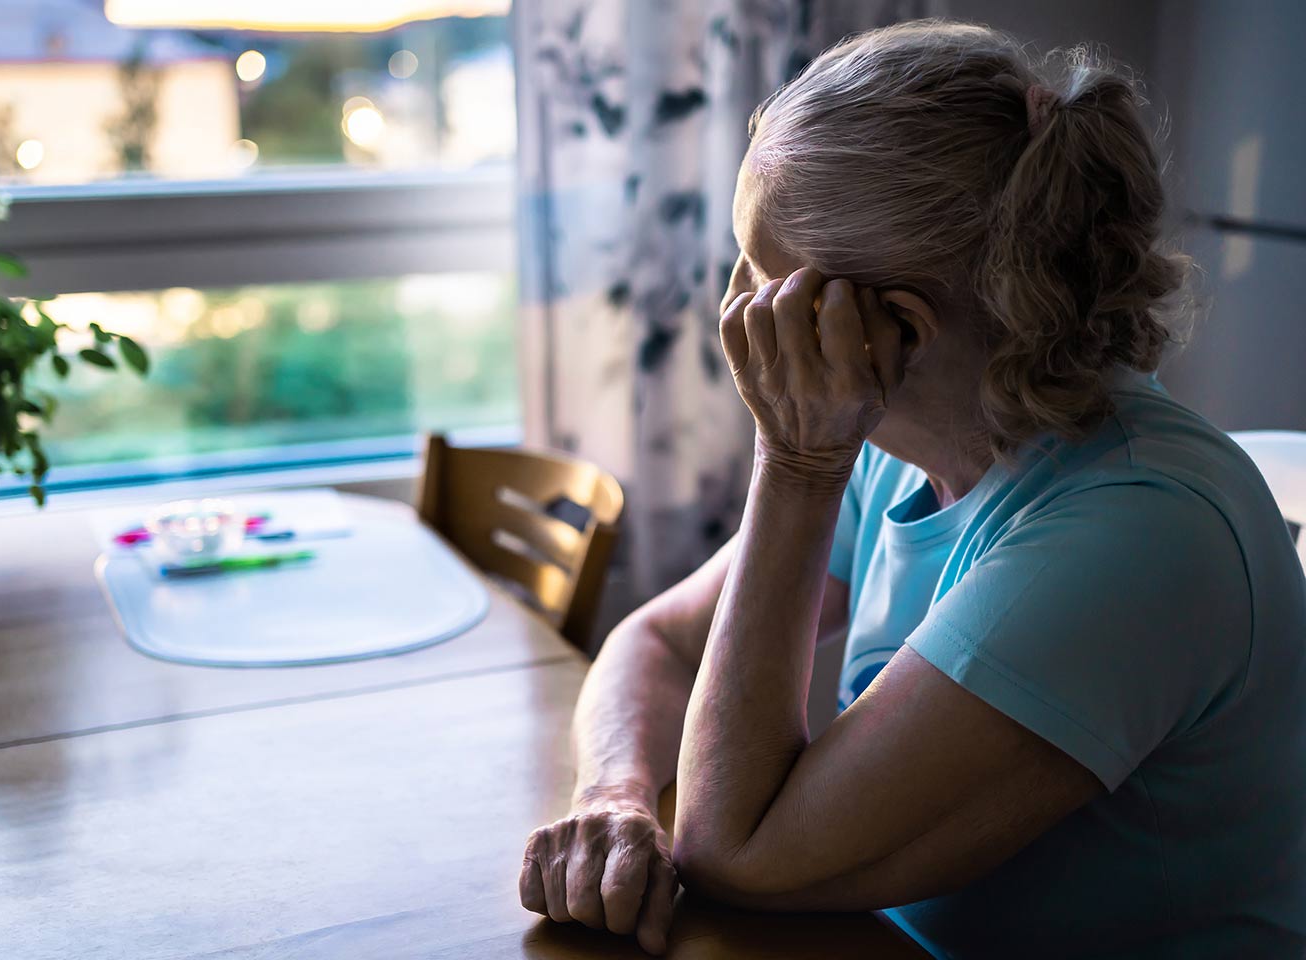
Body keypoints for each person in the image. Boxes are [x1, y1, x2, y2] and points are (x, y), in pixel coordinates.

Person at [517, 19, 1306, 960]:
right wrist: (612, 794)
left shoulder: (1134, 535)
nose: (733, 312)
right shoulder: (913, 444)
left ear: (899, 326)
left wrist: (796, 464)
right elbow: (655, 639)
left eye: (765, 282)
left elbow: (734, 849)